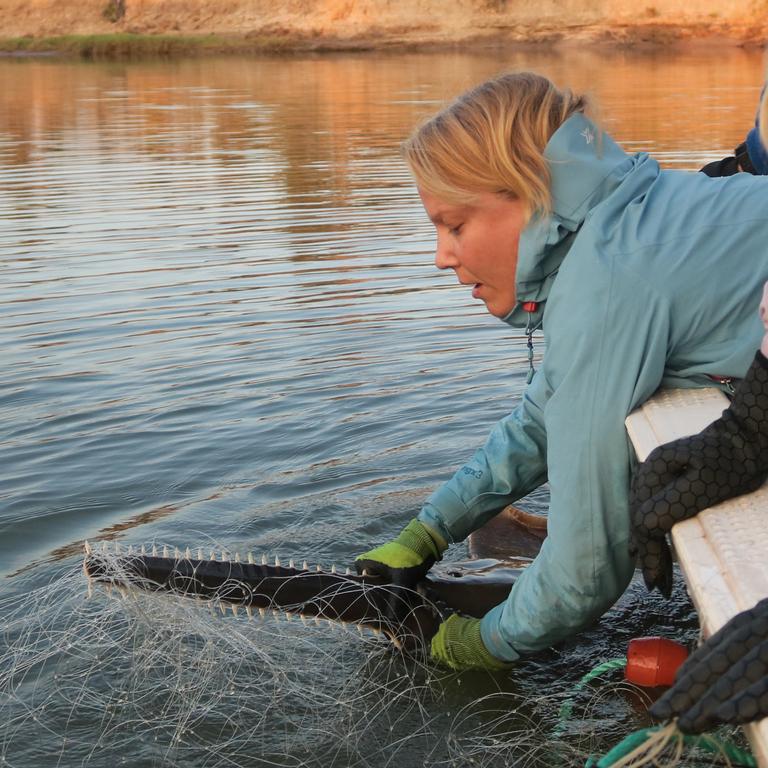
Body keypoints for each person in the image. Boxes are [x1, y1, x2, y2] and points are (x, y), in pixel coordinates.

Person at [354, 71, 768, 671]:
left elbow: (586, 568)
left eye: (455, 226)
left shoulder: (608, 281)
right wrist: (430, 530)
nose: (441, 256)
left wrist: (482, 643)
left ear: (529, 196)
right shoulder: (630, 220)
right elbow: (544, 416)